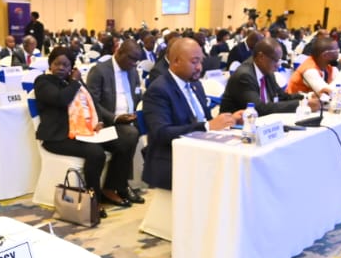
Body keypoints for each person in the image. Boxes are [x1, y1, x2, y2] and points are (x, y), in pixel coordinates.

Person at [34, 47, 140, 210]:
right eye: (57, 64)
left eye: (65, 65)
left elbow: (92, 103)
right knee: (96, 153)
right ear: (50, 65)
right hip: (57, 137)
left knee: (124, 142)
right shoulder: (43, 82)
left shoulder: (74, 82)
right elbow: (61, 99)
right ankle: (93, 200)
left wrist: (99, 121)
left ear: (71, 67)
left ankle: (112, 188)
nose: (61, 68)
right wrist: (75, 82)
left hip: (84, 132)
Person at [142, 38, 241, 190]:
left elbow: (206, 120)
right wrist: (207, 127)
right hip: (173, 160)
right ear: (176, 61)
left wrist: (230, 120)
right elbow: (162, 133)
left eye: (201, 61)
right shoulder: (159, 90)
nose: (199, 67)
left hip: (201, 153)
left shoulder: (196, 84)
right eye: (194, 62)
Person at [84, 39, 145, 203]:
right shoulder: (99, 71)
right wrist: (115, 118)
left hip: (129, 120)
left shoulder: (132, 71)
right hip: (106, 124)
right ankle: (117, 186)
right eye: (131, 59)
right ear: (119, 52)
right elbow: (93, 103)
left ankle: (120, 185)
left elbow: (137, 95)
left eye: (136, 60)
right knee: (130, 135)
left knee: (147, 128)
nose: (134, 63)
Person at [219, 38, 302, 115]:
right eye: (275, 60)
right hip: (236, 124)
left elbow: (282, 96)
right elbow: (259, 109)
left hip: (262, 122)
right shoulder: (244, 76)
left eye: (279, 60)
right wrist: (299, 104)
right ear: (261, 57)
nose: (278, 65)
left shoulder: (266, 70)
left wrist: (305, 97)